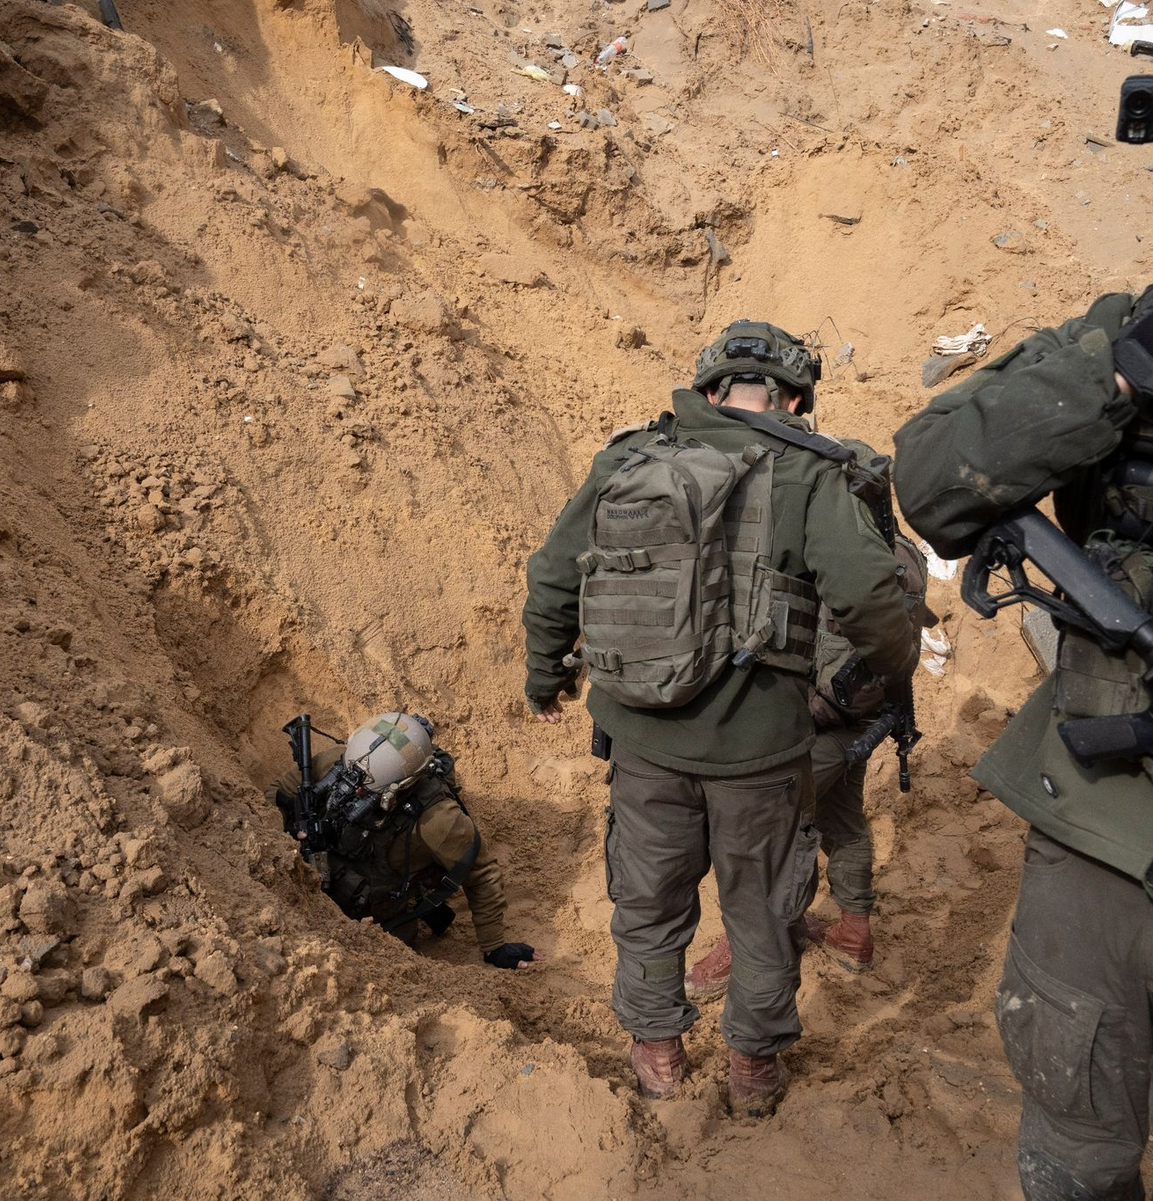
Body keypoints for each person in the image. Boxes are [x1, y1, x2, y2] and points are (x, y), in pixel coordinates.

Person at [523, 320, 917, 1114]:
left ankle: (658, 1051)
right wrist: (890, 669)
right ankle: (752, 1070)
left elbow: (554, 574)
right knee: (765, 914)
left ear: (706, 390)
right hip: (763, 757)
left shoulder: (629, 458)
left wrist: (543, 677)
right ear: (795, 397)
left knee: (647, 902)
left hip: (643, 746)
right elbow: (874, 597)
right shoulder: (808, 472)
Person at [892, 289, 1153, 1201]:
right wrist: (1118, 371)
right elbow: (928, 479)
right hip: (1109, 813)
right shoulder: (1123, 330)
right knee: (1078, 1142)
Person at [685, 509, 930, 991]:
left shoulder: (845, 552)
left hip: (816, 721)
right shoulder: (907, 554)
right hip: (866, 720)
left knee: (767, 835)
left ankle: (747, 945)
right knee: (844, 820)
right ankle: (854, 934)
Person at [268, 710, 539, 970]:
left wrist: (494, 946)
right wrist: (293, 829)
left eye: (366, 791)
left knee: (396, 938)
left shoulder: (439, 820)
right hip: (320, 872)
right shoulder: (337, 761)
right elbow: (274, 795)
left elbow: (481, 873)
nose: (354, 791)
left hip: (376, 910)